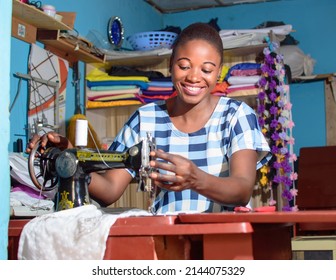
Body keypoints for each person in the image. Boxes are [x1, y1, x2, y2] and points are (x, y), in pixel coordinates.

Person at [27, 22, 271, 214]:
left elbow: (242, 189)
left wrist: (195, 179)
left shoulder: (236, 116)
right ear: (170, 65)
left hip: (224, 239)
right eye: (184, 66)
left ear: (218, 73)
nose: (194, 77)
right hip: (165, 238)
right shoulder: (145, 119)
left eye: (206, 69)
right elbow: (110, 190)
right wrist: (69, 157)